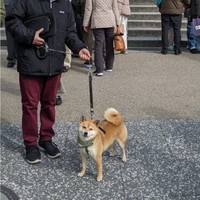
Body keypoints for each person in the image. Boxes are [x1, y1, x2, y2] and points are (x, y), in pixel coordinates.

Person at [5, 0, 91, 164]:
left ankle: (46, 138)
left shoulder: (64, 4)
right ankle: (30, 143)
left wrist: (79, 47)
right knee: (30, 104)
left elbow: (70, 32)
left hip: (54, 63)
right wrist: (30, 36)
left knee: (49, 103)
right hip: (30, 61)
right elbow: (12, 21)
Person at [83, 0, 120, 76]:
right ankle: (109, 66)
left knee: (98, 45)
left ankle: (99, 69)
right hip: (110, 19)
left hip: (97, 19)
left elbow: (88, 9)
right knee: (109, 44)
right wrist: (118, 23)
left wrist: (85, 23)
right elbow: (115, 8)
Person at [71, 0, 94, 68]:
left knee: (87, 39)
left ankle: (89, 60)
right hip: (99, 18)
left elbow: (86, 8)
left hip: (86, 18)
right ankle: (104, 59)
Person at [4, 0, 17, 68]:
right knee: (9, 30)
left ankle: (18, 56)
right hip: (9, 3)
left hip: (23, 2)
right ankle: (11, 58)